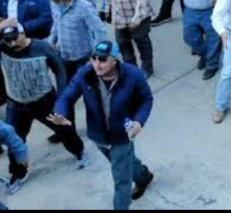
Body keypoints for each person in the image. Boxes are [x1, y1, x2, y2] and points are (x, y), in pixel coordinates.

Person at [50, 41, 154, 211]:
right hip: (98, 134)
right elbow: (66, 96)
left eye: (103, 59)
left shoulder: (133, 74)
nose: (97, 64)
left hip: (123, 135)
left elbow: (146, 99)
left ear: (115, 60)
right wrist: (61, 114)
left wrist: (139, 121)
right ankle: (143, 175)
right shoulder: (85, 74)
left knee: (121, 179)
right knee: (121, 162)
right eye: (94, 58)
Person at [0, 25, 89, 172]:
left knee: (64, 130)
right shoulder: (3, 48)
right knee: (14, 139)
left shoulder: (41, 47)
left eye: (15, 38)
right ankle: (18, 173)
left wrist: (61, 98)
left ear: (23, 33)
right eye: (8, 40)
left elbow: (59, 69)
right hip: (16, 104)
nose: (13, 44)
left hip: (44, 101)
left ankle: (79, 152)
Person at [38, 0, 106, 83]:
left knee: (89, 91)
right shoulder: (54, 5)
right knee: (66, 91)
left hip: (83, 57)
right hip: (63, 56)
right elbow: (56, 25)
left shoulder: (84, 7)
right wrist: (51, 41)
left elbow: (100, 32)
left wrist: (95, 57)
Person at [0, 120, 28, 195]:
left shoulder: (4, 130)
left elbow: (19, 146)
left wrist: (22, 160)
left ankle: (20, 174)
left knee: (16, 148)